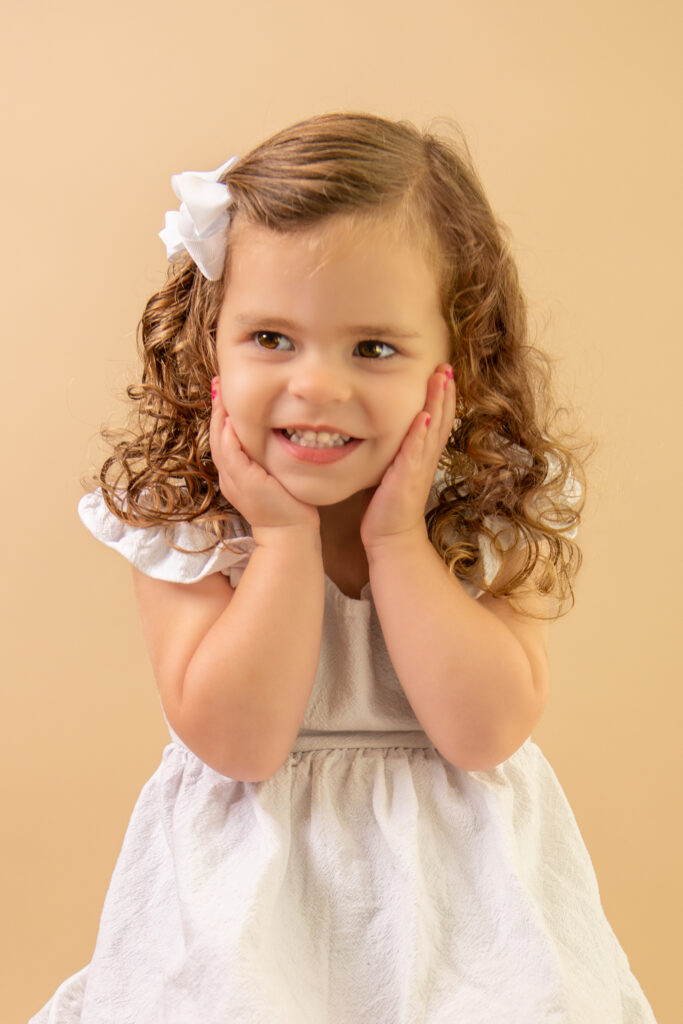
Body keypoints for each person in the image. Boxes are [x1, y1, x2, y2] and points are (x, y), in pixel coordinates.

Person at [31, 112, 657, 1023]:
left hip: (464, 914)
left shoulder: (485, 510)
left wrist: (399, 542)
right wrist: (281, 540)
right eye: (271, 339)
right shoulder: (190, 524)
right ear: (212, 340)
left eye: (372, 348)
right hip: (244, 908)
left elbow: (483, 732)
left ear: (458, 362)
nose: (316, 387)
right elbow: (239, 745)